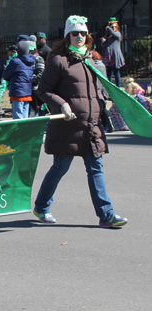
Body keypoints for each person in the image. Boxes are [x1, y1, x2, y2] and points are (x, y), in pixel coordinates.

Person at [33, 15, 127, 228]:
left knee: (96, 170)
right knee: (59, 169)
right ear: (68, 36)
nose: (79, 37)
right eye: (75, 33)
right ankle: (41, 206)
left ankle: (107, 215)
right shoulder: (59, 61)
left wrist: (103, 105)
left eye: (83, 33)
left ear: (88, 36)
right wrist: (62, 105)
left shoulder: (91, 61)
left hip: (92, 128)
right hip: (67, 128)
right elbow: (43, 90)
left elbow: (95, 92)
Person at [2, 39, 35, 119]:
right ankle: (24, 131)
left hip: (17, 92)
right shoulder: (30, 62)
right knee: (25, 117)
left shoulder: (15, 61)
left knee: (18, 117)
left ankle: (19, 131)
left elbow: (5, 75)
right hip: (27, 92)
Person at [91, 50, 114, 133]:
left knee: (101, 108)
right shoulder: (102, 65)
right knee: (102, 107)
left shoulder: (93, 65)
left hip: (97, 89)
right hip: (103, 89)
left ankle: (108, 124)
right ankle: (107, 124)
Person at [101, 17, 124, 88]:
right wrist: (103, 41)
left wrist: (108, 28)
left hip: (115, 56)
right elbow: (103, 44)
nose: (113, 27)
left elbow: (113, 32)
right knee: (109, 74)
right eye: (112, 26)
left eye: (115, 26)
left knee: (116, 72)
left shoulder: (117, 34)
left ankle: (118, 88)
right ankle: (109, 89)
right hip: (108, 57)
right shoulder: (107, 35)